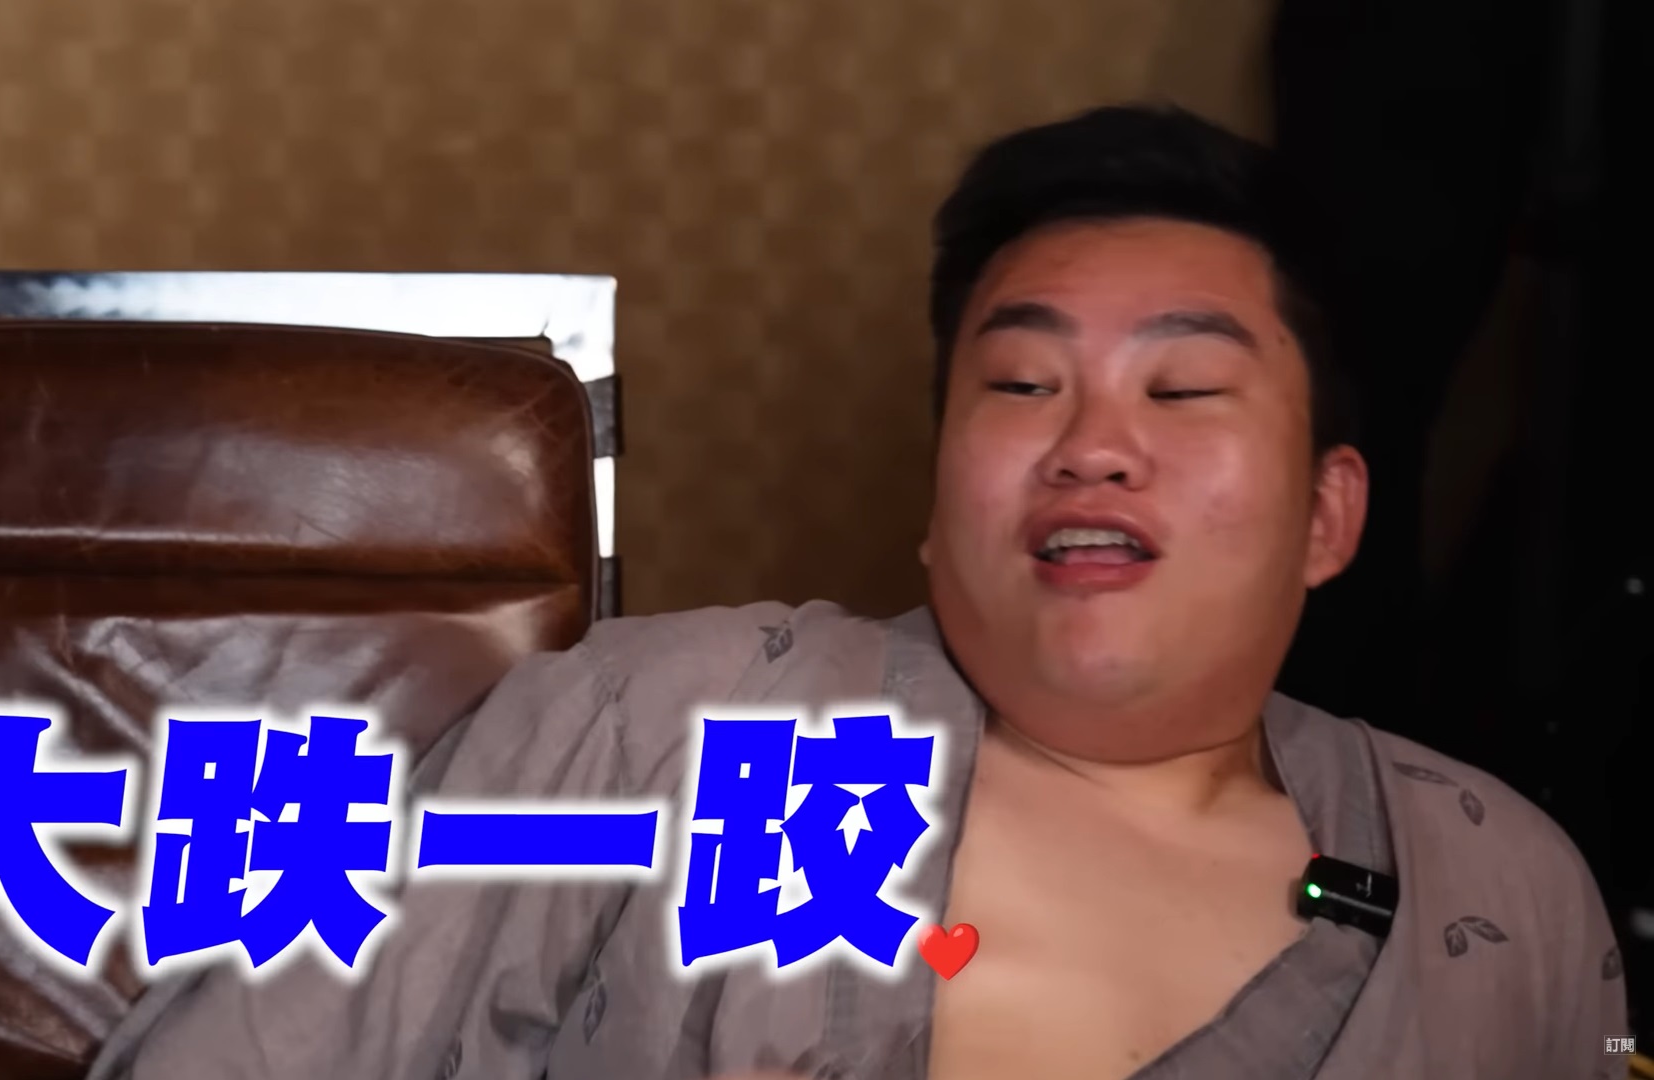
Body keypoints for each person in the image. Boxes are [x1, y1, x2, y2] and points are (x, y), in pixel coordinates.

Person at [88, 104, 1628, 1080]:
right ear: (938, 501)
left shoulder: (1498, 887)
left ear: (1328, 514)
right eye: (1021, 385)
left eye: (1182, 390)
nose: (1092, 446)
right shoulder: (661, 726)